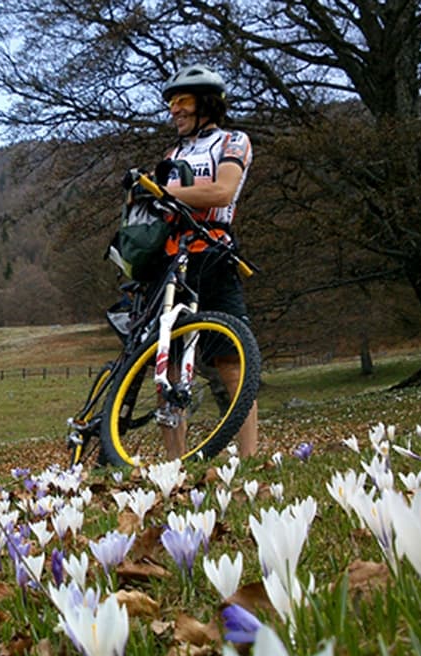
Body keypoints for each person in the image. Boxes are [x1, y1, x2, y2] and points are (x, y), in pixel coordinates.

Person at [158, 63, 259, 459]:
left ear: (207, 104)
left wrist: (163, 192)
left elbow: (222, 191)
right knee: (167, 366)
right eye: (170, 102)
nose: (174, 110)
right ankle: (172, 465)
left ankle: (249, 458)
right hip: (171, 262)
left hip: (213, 255)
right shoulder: (173, 152)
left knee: (231, 362)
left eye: (182, 100)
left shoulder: (234, 142)